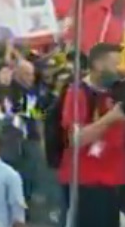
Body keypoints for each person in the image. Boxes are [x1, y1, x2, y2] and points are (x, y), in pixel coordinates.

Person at [56, 42, 124, 227]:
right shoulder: (77, 93)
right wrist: (111, 118)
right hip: (87, 180)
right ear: (98, 65)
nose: (118, 69)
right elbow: (76, 139)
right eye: (114, 63)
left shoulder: (117, 92)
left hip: (115, 178)